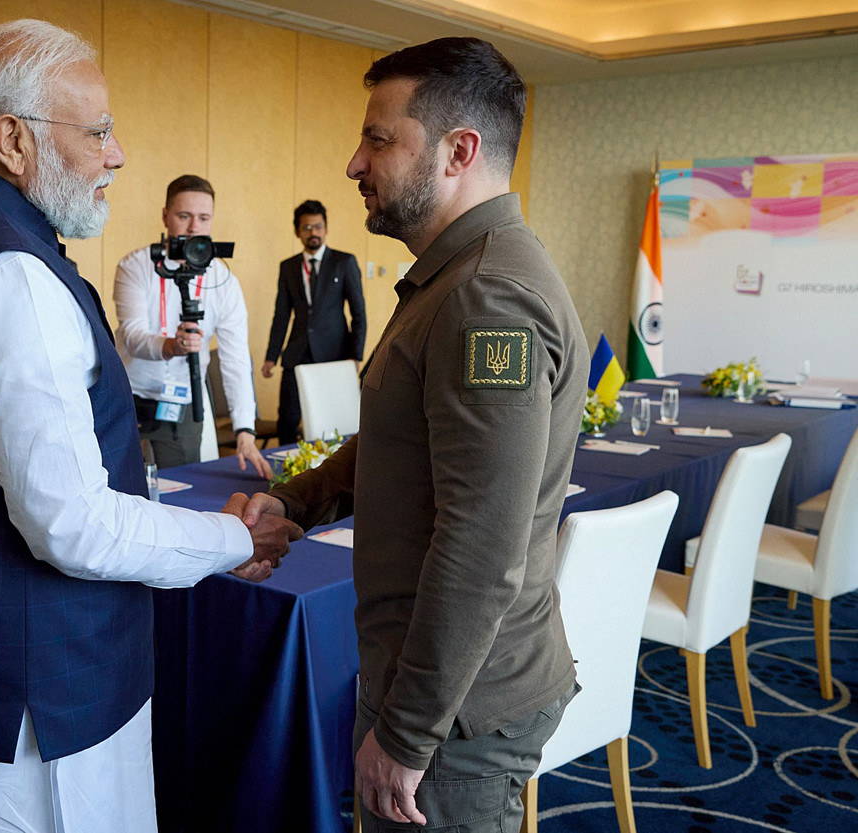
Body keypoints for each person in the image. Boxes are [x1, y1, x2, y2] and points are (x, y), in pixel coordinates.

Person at [0, 19, 301, 831]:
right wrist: (232, 541)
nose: (118, 153)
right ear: (13, 140)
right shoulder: (13, 275)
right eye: (98, 129)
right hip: (30, 724)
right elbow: (72, 526)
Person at [240, 37, 588, 832]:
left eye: (379, 138)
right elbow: (406, 439)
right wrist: (296, 498)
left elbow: (482, 543)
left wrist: (406, 731)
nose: (355, 163)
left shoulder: (486, 296)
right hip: (443, 692)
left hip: (455, 718)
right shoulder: (454, 274)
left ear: (458, 151)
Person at [114, 175, 272, 477]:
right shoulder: (136, 266)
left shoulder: (223, 281)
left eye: (203, 218)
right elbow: (132, 336)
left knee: (181, 489)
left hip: (185, 402)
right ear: (165, 216)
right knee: (123, 488)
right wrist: (171, 346)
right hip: (129, 397)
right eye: (184, 216)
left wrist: (244, 429)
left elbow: (236, 359)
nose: (193, 228)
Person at [262, 199, 366, 445]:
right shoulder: (288, 267)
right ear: (297, 231)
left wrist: (356, 355)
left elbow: (359, 314)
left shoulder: (344, 262)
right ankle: (286, 472)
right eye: (307, 227)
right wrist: (271, 356)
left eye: (318, 226)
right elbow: (281, 315)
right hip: (297, 352)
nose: (313, 233)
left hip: (334, 354)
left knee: (333, 420)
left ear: (326, 228)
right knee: (287, 418)